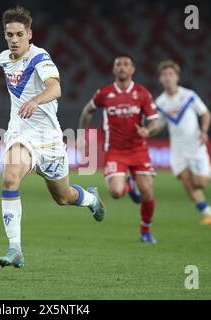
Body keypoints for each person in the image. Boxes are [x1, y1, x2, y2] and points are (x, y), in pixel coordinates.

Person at [0, 6, 106, 268]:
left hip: (50, 140)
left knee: (63, 197)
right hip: (21, 135)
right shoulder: (3, 58)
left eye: (19, 34)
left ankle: (90, 198)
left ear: (30, 34)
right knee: (10, 179)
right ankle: (15, 249)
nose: (13, 39)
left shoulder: (40, 58)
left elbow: (56, 87)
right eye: (9, 34)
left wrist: (35, 100)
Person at [78, 54, 159, 243]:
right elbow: (87, 110)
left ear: (132, 70)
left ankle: (145, 231)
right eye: (118, 65)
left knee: (146, 192)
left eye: (126, 64)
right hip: (115, 151)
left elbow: (155, 121)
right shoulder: (104, 93)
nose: (122, 67)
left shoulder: (142, 93)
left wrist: (148, 130)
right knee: (115, 193)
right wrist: (81, 134)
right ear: (114, 70)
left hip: (138, 149)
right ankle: (128, 184)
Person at [155, 60, 211, 225]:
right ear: (160, 79)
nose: (167, 78)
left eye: (170, 74)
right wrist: (146, 132)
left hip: (195, 145)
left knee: (200, 183)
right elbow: (158, 124)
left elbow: (205, 114)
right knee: (186, 181)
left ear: (177, 77)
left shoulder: (188, 96)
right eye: (164, 75)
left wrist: (204, 131)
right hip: (177, 149)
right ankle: (209, 214)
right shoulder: (160, 102)